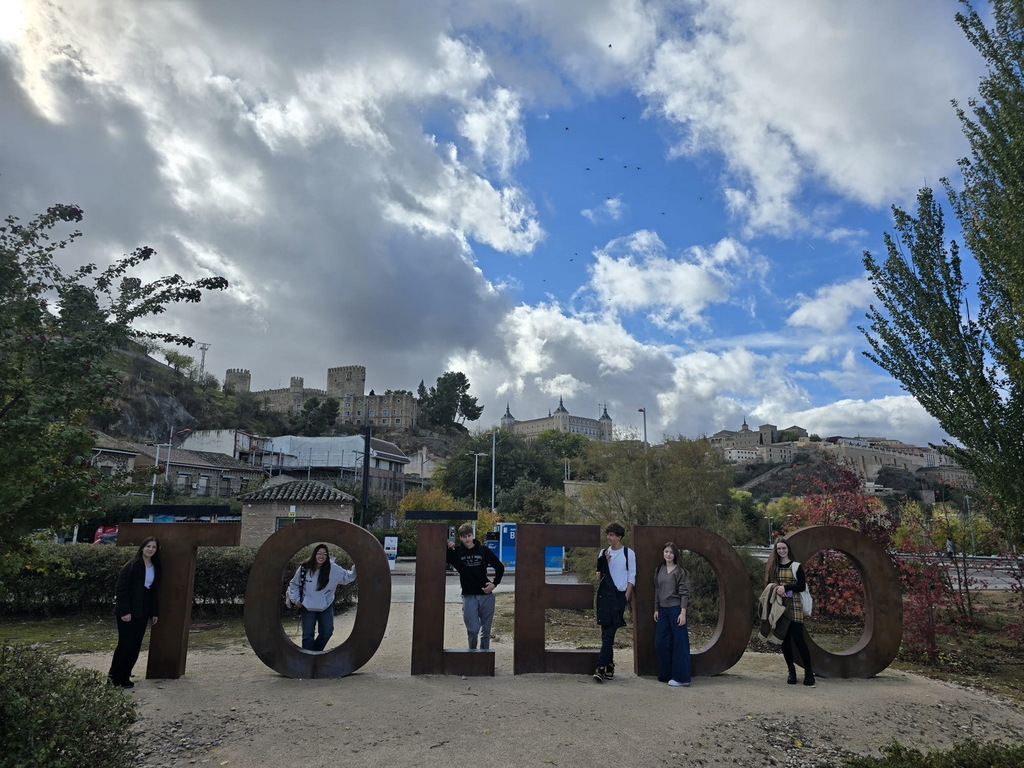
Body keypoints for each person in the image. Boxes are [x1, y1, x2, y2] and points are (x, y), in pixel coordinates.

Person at [108, 536, 161, 688]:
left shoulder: (155, 566)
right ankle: (113, 678)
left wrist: (154, 612)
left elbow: (153, 592)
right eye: (148, 546)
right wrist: (124, 611)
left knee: (135, 646)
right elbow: (121, 589)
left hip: (143, 611)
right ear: (142, 547)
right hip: (128, 611)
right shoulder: (131, 565)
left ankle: (125, 677)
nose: (150, 549)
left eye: (153, 547)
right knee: (125, 645)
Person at [286, 544, 357, 652]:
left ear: (327, 556)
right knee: (308, 635)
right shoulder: (305, 568)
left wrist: (357, 564)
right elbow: (294, 584)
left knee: (327, 632)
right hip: (307, 606)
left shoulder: (333, 569)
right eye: (319, 553)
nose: (321, 556)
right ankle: (309, 659)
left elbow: (348, 577)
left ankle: (314, 653)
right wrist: (296, 599)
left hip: (325, 606)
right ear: (314, 554)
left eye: (324, 554)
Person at [765, 537, 815, 686]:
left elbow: (801, 586)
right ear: (776, 551)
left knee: (799, 640)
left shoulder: (796, 566)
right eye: (779, 549)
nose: (781, 551)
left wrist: (785, 588)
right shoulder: (774, 567)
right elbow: (769, 584)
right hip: (780, 607)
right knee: (784, 640)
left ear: (788, 549)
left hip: (794, 606)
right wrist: (776, 589)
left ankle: (808, 672)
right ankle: (791, 671)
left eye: (784, 548)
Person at [447, 523, 505, 650]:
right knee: (473, 630)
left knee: (486, 631)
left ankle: (485, 656)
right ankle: (472, 653)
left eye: (469, 535)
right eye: (464, 537)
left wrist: (494, 584)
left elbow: (499, 567)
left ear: (473, 535)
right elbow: (439, 554)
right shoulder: (456, 552)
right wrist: (447, 545)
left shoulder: (483, 550)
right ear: (460, 538)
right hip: (469, 595)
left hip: (486, 595)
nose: (467, 539)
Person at [593, 522, 635, 682]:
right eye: (607, 534)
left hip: (619, 597)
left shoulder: (628, 553)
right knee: (605, 633)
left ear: (619, 537)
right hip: (605, 596)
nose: (608, 537)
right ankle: (609, 666)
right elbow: (598, 576)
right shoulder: (603, 553)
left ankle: (600, 667)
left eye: (611, 535)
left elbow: (632, 576)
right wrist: (605, 562)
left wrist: (626, 597)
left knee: (609, 633)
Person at [654, 541, 691, 687]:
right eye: (666, 551)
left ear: (675, 554)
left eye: (671, 552)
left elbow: (684, 594)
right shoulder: (659, 569)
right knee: (661, 642)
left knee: (679, 643)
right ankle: (666, 674)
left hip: (676, 609)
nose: (668, 554)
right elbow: (657, 591)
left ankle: (682, 678)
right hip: (662, 611)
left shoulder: (680, 571)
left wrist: (683, 613)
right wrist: (656, 609)